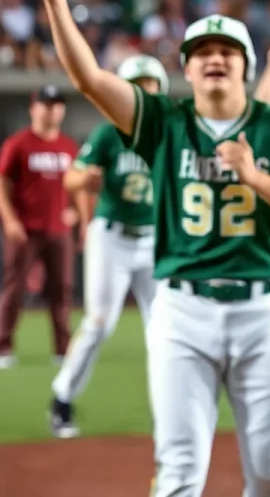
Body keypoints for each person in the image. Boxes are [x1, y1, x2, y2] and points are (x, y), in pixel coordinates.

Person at [30, 0, 270, 497]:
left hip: (265, 309)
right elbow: (90, 81)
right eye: (203, 52)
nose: (216, 59)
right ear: (188, 68)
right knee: (178, 471)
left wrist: (255, 178)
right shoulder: (163, 120)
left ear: (246, 67)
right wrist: (57, 2)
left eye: (228, 51)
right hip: (182, 310)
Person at [48, 54, 169, 439]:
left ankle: (167, 410)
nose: (144, 93)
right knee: (99, 323)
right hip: (112, 235)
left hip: (153, 239)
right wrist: (83, 179)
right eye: (137, 86)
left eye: (150, 86)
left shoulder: (170, 134)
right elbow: (71, 179)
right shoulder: (107, 134)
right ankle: (62, 397)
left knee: (164, 330)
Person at [0, 85, 79, 368]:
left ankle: (62, 349)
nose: (52, 109)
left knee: (62, 289)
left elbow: (75, 185)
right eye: (46, 104)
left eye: (57, 104)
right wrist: (9, 220)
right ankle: (3, 347)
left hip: (59, 230)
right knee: (14, 288)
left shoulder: (68, 146)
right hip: (26, 230)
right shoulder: (19, 144)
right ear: (34, 108)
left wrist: (75, 213)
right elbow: (2, 184)